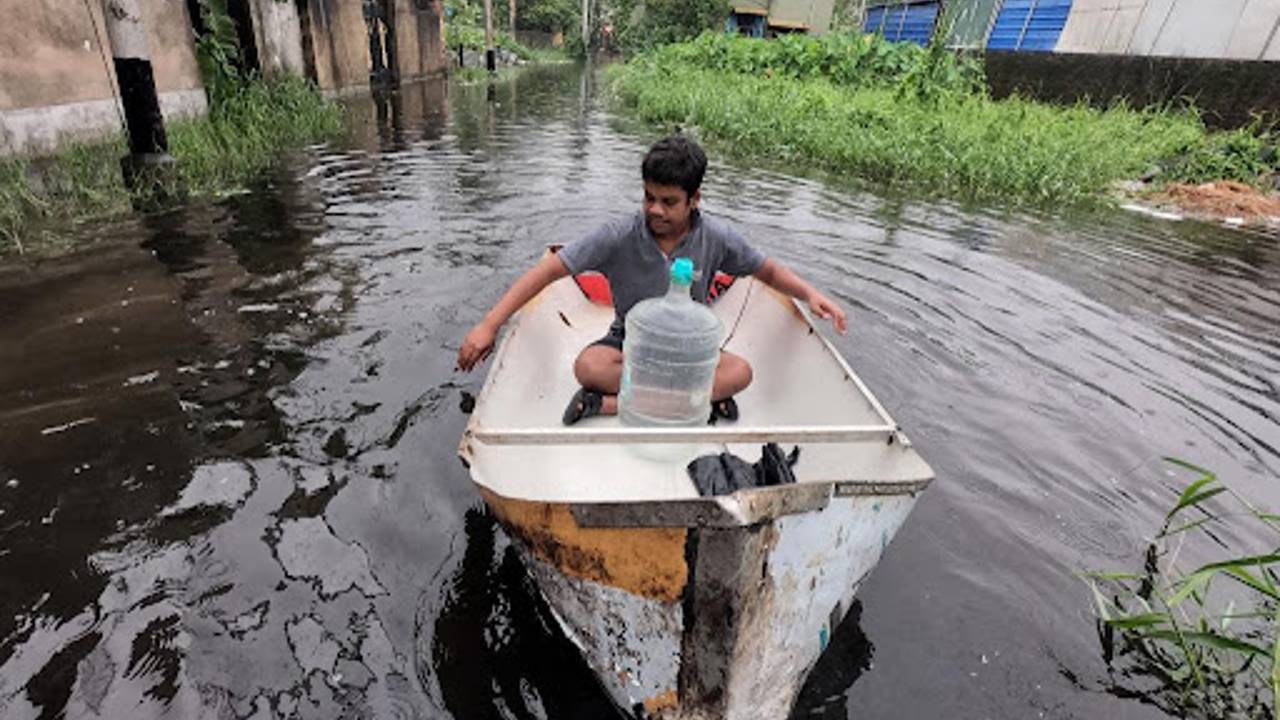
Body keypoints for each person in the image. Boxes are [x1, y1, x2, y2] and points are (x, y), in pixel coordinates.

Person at [456, 135, 847, 424]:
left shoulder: (717, 237)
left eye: (668, 201)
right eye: (648, 197)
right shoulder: (620, 235)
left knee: (740, 372)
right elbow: (549, 271)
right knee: (589, 367)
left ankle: (609, 406)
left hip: (690, 348)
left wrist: (811, 294)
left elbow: (768, 270)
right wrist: (490, 324)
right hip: (629, 343)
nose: (655, 210)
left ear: (695, 198)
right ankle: (698, 404)